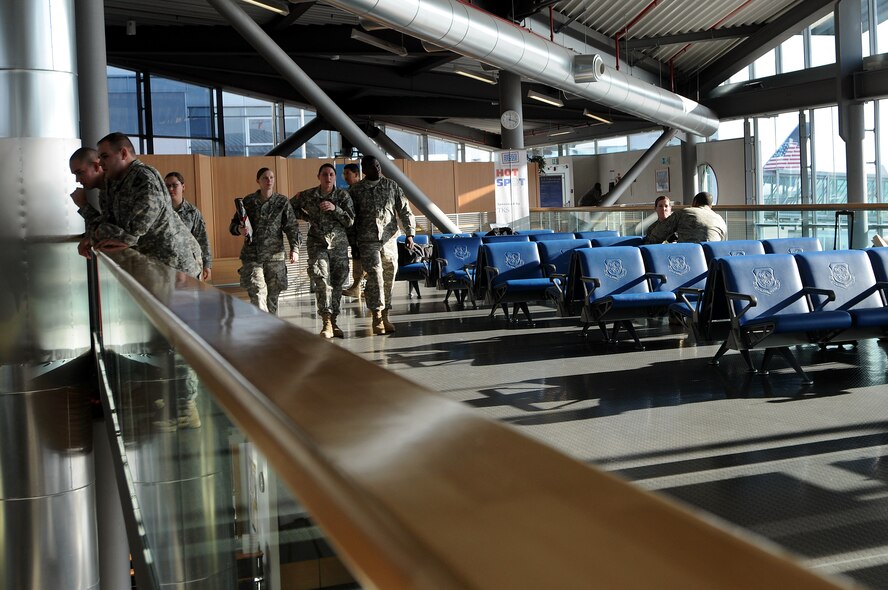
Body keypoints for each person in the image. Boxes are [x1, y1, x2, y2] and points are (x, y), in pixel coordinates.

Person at [93, 132, 202, 277]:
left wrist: (125, 237)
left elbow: (140, 223)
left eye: (105, 156)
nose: (100, 163)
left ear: (124, 153)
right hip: (156, 264)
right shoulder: (117, 182)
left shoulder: (143, 177)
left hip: (175, 263)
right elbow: (111, 222)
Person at [349, 155, 416, 335]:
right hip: (367, 240)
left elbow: (404, 209)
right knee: (375, 276)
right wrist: (353, 243)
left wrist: (410, 233)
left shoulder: (391, 185)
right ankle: (376, 316)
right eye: (372, 167)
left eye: (378, 165)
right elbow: (351, 220)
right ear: (364, 170)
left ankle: (385, 314)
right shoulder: (356, 191)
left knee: (389, 275)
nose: (377, 169)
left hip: (389, 239)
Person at [290, 163, 355, 338]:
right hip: (317, 243)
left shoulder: (343, 195)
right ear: (318, 176)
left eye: (331, 174)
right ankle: (326, 322)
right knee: (321, 280)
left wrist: (336, 209)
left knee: (337, 283)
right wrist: (307, 217)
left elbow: (350, 221)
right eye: (325, 174)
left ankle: (334, 322)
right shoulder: (309, 195)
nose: (328, 178)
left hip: (339, 244)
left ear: (335, 177)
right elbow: (290, 207)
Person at [229, 167, 301, 315]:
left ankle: (271, 330)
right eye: (265, 178)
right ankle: (263, 327)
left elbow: (291, 226)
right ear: (258, 181)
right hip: (252, 256)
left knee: (272, 298)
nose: (269, 180)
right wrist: (239, 230)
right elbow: (233, 226)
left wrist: (295, 248)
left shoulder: (282, 202)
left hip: (275, 257)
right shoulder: (248, 201)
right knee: (257, 292)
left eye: (271, 177)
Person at [165, 172, 212, 281]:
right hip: (166, 265)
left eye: (174, 185)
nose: (170, 189)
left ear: (183, 186)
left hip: (189, 266)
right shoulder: (160, 210)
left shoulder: (192, 212)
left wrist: (207, 265)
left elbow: (202, 239)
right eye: (167, 186)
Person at [68, 147, 110, 258]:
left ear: (96, 166)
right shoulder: (104, 192)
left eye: (80, 172)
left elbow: (111, 231)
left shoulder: (115, 188)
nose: (77, 180)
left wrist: (84, 205)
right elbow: (102, 227)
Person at [645, 191, 727, 244]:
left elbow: (656, 236)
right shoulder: (720, 220)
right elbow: (722, 245)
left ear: (694, 202)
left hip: (688, 259)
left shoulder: (684, 212)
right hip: (711, 262)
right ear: (710, 206)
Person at [341, 162, 365, 298]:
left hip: (362, 232)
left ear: (356, 174)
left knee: (361, 259)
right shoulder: (348, 191)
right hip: (353, 232)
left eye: (347, 174)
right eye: (344, 174)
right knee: (357, 257)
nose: (345, 177)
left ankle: (359, 286)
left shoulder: (360, 190)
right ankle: (359, 287)